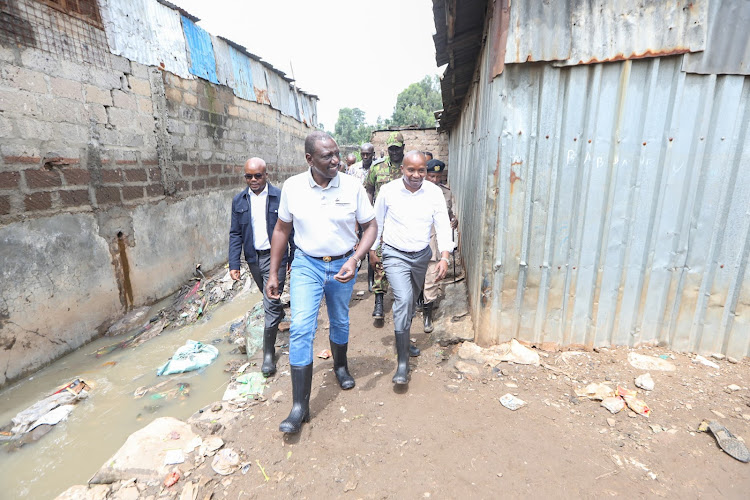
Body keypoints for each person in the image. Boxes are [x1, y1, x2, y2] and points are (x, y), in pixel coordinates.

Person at [266, 131, 377, 434]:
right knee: (302, 326)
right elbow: (281, 229)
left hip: (343, 263)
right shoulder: (293, 187)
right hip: (306, 265)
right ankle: (299, 405)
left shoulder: (352, 186)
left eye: (337, 154)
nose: (335, 160)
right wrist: (274, 273)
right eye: (327, 156)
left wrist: (356, 259)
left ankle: (340, 366)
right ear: (309, 159)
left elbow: (370, 227)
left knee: (340, 320)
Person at [370, 151, 452, 385]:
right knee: (404, 299)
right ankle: (402, 363)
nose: (416, 175)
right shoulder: (388, 191)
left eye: (421, 170)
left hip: (421, 256)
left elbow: (443, 226)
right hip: (395, 254)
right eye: (411, 170)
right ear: (402, 169)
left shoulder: (434, 193)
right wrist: (373, 250)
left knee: (413, 301)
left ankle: (404, 340)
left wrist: (444, 256)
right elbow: (377, 221)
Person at [228, 157, 294, 377]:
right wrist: (234, 263)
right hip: (253, 259)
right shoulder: (239, 201)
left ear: (266, 175)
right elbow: (235, 234)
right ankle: (277, 316)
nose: (254, 180)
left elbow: (289, 228)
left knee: (270, 302)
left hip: (276, 257)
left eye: (258, 175)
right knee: (268, 296)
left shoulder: (280, 197)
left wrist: (293, 255)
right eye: (249, 176)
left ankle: (268, 354)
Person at [364, 131, 405, 326]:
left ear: (403, 148)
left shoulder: (409, 167)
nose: (394, 152)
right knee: (379, 259)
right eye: (391, 149)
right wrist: (367, 216)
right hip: (381, 221)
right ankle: (379, 302)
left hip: (404, 221)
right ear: (387, 149)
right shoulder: (377, 168)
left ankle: (407, 300)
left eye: (398, 148)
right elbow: (369, 190)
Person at [422, 159, 457, 333]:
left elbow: (448, 215)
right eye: (432, 176)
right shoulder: (416, 191)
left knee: (431, 276)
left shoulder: (446, 193)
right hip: (419, 239)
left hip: (436, 241)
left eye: (438, 176)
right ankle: (418, 302)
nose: (435, 180)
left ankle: (427, 314)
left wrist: (453, 220)